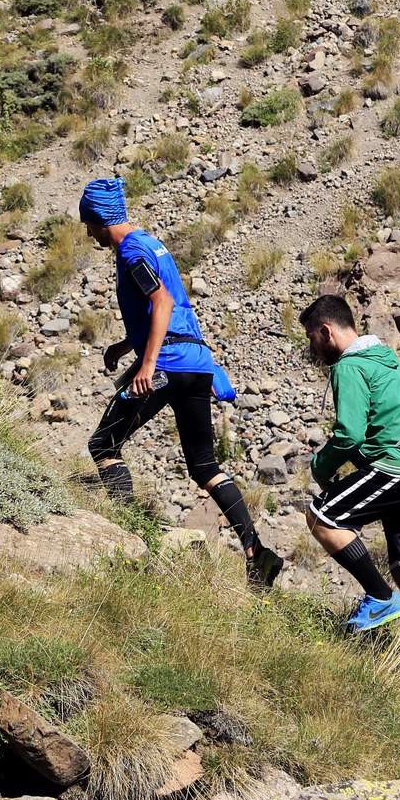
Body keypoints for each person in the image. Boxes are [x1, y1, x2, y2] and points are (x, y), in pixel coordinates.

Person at [75, 178, 282, 589]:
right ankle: (257, 552)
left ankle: (129, 537)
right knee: (204, 466)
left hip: (167, 363)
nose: (87, 233)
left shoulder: (130, 252)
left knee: (103, 445)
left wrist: (146, 364)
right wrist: (126, 344)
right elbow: (168, 303)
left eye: (88, 225)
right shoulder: (150, 242)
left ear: (99, 219)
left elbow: (163, 302)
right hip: (196, 362)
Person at [298, 295, 400, 672]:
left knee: (322, 516)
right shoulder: (391, 363)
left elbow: (349, 434)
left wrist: (321, 467)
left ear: (326, 331)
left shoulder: (349, 367)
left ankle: (380, 598)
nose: (313, 349)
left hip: (394, 469)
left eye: (312, 339)